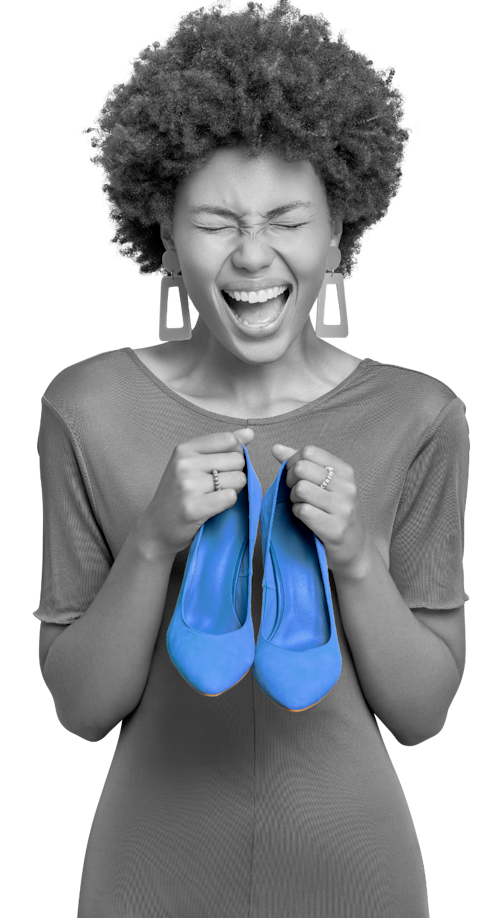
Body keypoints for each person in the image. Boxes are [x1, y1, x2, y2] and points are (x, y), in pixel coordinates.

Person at [36, 2, 469, 915]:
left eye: (286, 219)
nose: (253, 257)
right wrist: (154, 540)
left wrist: (354, 557)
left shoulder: (419, 413)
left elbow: (424, 715)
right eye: (216, 222)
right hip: (149, 864)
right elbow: (80, 710)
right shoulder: (86, 405)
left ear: (338, 231)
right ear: (162, 232)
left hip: (356, 864)